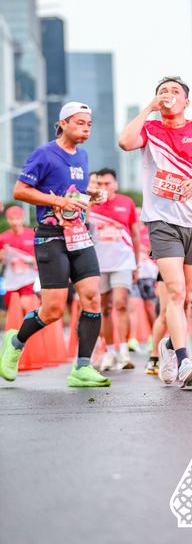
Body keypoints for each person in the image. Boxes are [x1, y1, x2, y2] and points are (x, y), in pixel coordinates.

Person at [0, 101, 110, 388]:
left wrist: (91, 195)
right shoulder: (44, 153)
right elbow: (20, 190)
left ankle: (82, 367)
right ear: (63, 123)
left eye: (89, 124)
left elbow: (72, 190)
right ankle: (15, 341)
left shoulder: (82, 156)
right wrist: (58, 201)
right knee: (53, 310)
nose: (86, 129)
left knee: (92, 297)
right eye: (79, 123)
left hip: (79, 235)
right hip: (50, 236)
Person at [119, 76, 192, 388]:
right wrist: (149, 108)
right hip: (161, 220)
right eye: (162, 91)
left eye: (174, 91)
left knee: (185, 300)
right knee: (175, 291)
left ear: (186, 101)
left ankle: (169, 346)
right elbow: (125, 142)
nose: (168, 95)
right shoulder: (150, 129)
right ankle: (184, 361)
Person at [89, 168, 141, 370]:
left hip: (123, 262)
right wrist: (89, 203)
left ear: (115, 185)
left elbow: (135, 234)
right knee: (103, 308)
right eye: (99, 184)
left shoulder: (126, 203)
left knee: (120, 304)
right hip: (98, 264)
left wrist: (136, 263)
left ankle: (124, 352)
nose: (103, 187)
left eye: (107, 183)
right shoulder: (89, 204)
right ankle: (109, 351)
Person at [0, 205, 37, 311]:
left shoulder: (32, 234)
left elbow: (41, 253)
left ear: (22, 218)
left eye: (18, 218)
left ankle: (33, 318)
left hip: (29, 277)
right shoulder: (3, 238)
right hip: (12, 278)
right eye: (12, 219)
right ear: (7, 219)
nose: (15, 222)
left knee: (25, 302)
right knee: (12, 305)